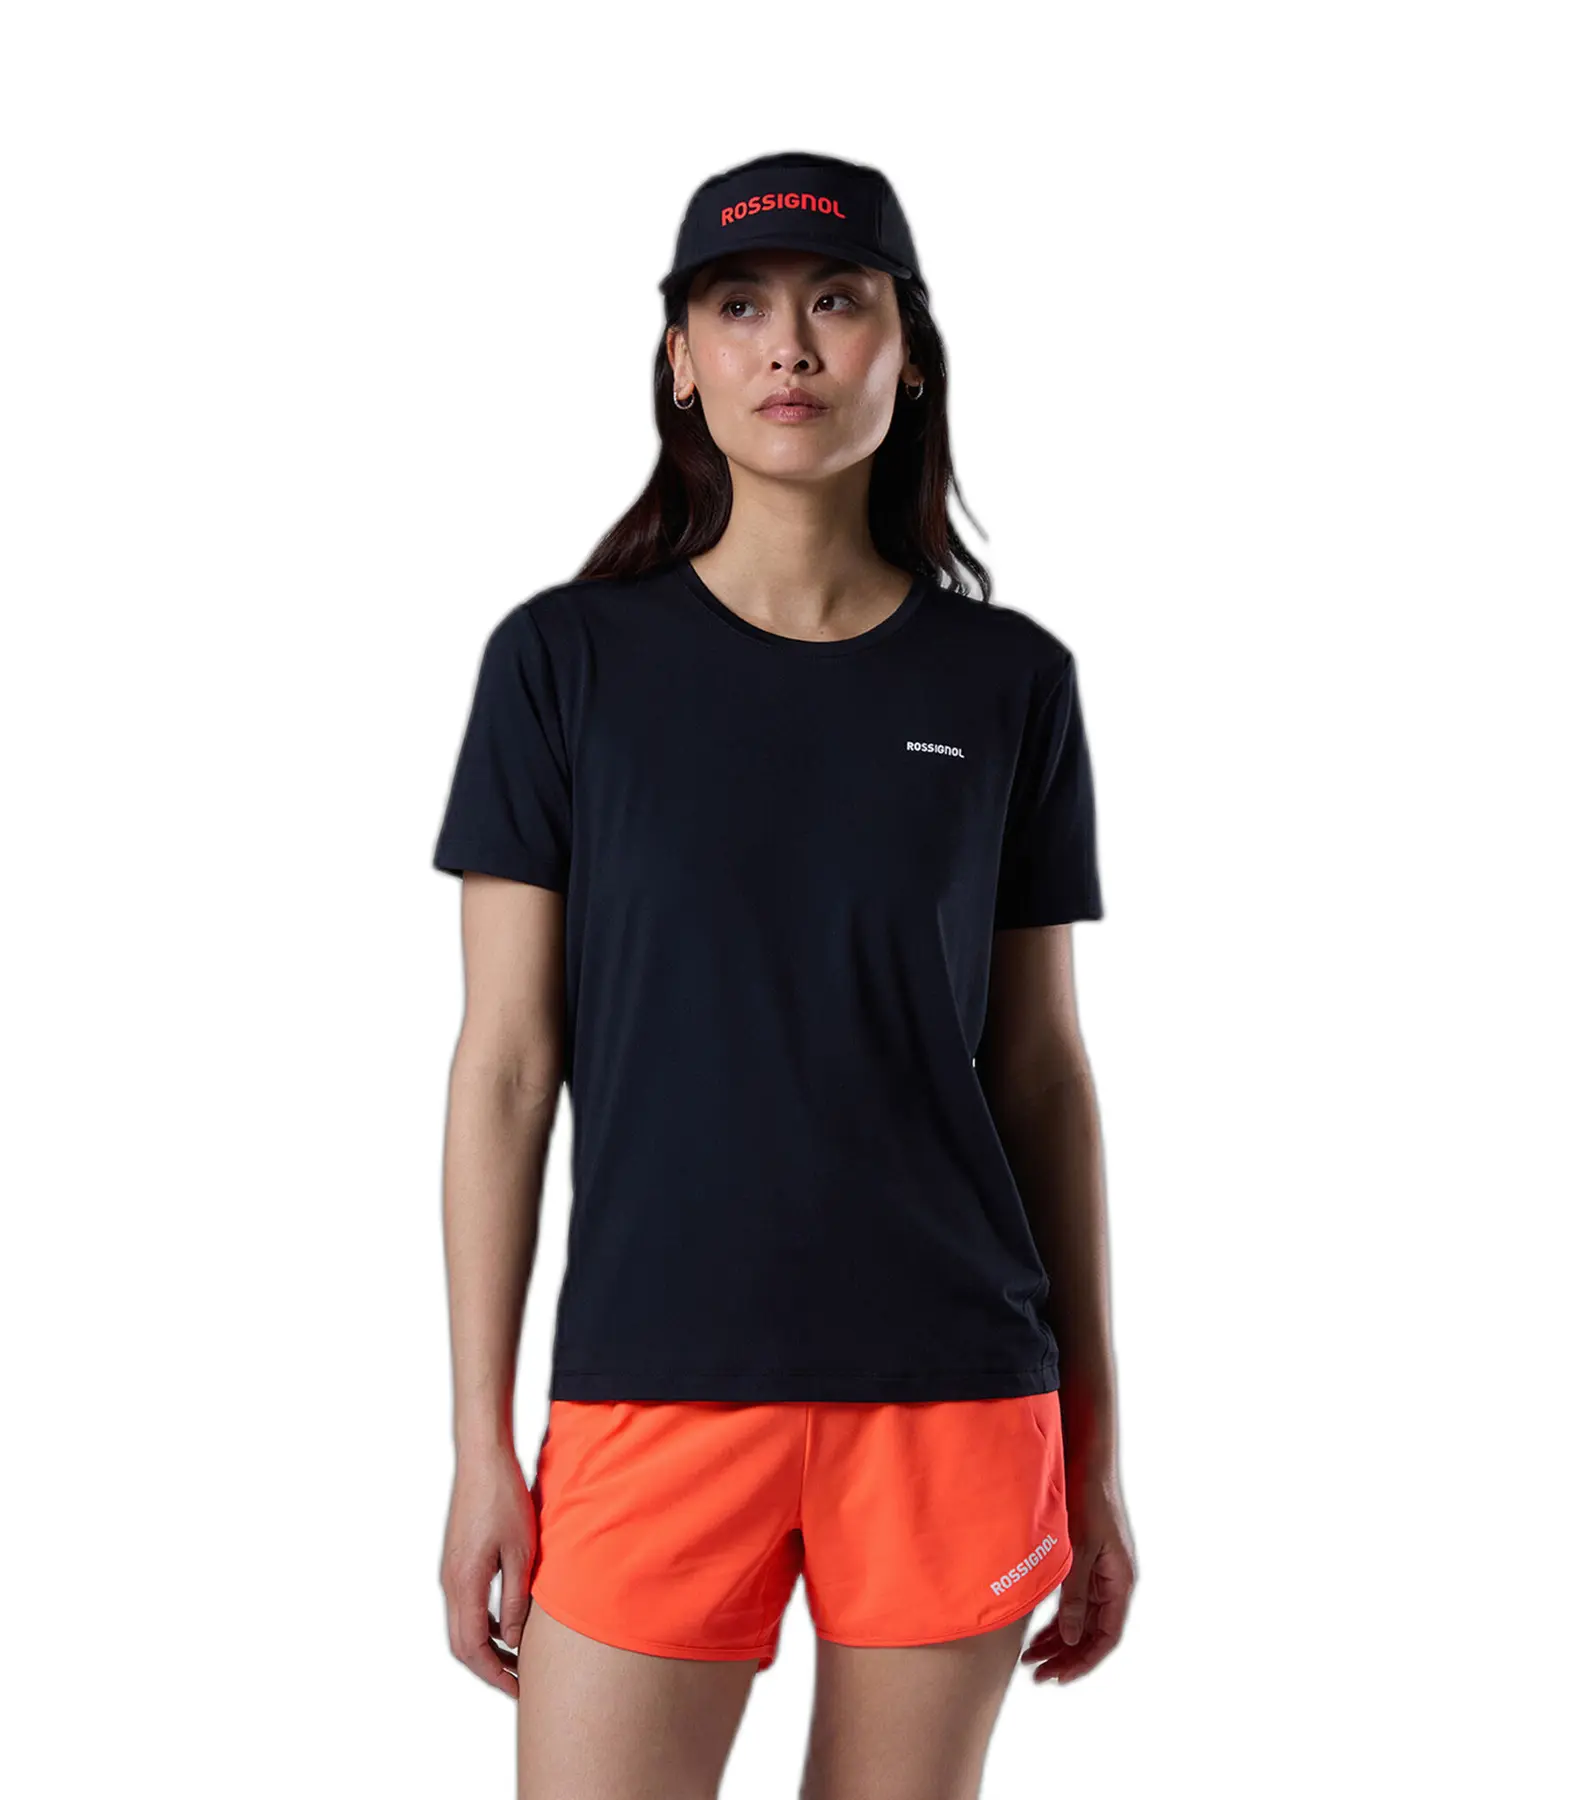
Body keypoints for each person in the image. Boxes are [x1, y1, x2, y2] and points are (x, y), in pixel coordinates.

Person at [432, 149, 1137, 1798]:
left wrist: (1098, 1452)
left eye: (838, 300)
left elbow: (1042, 1075)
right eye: (739, 308)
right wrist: (479, 1443)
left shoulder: (1010, 683)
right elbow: (507, 1069)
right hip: (654, 1386)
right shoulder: (562, 665)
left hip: (955, 1392)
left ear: (909, 351)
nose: (792, 347)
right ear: (681, 360)